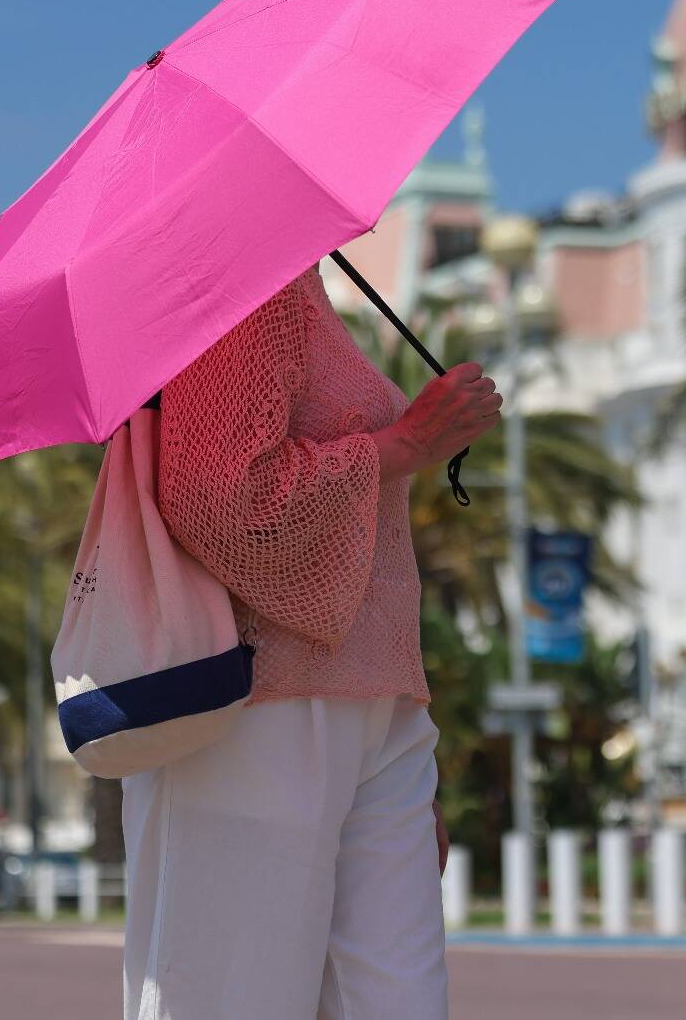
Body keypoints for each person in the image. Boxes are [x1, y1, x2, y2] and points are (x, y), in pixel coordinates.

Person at [120, 265, 499, 1020]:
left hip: (368, 705)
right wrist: (408, 442)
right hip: (255, 706)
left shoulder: (302, 288)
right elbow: (217, 497)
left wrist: (390, 730)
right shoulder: (240, 280)